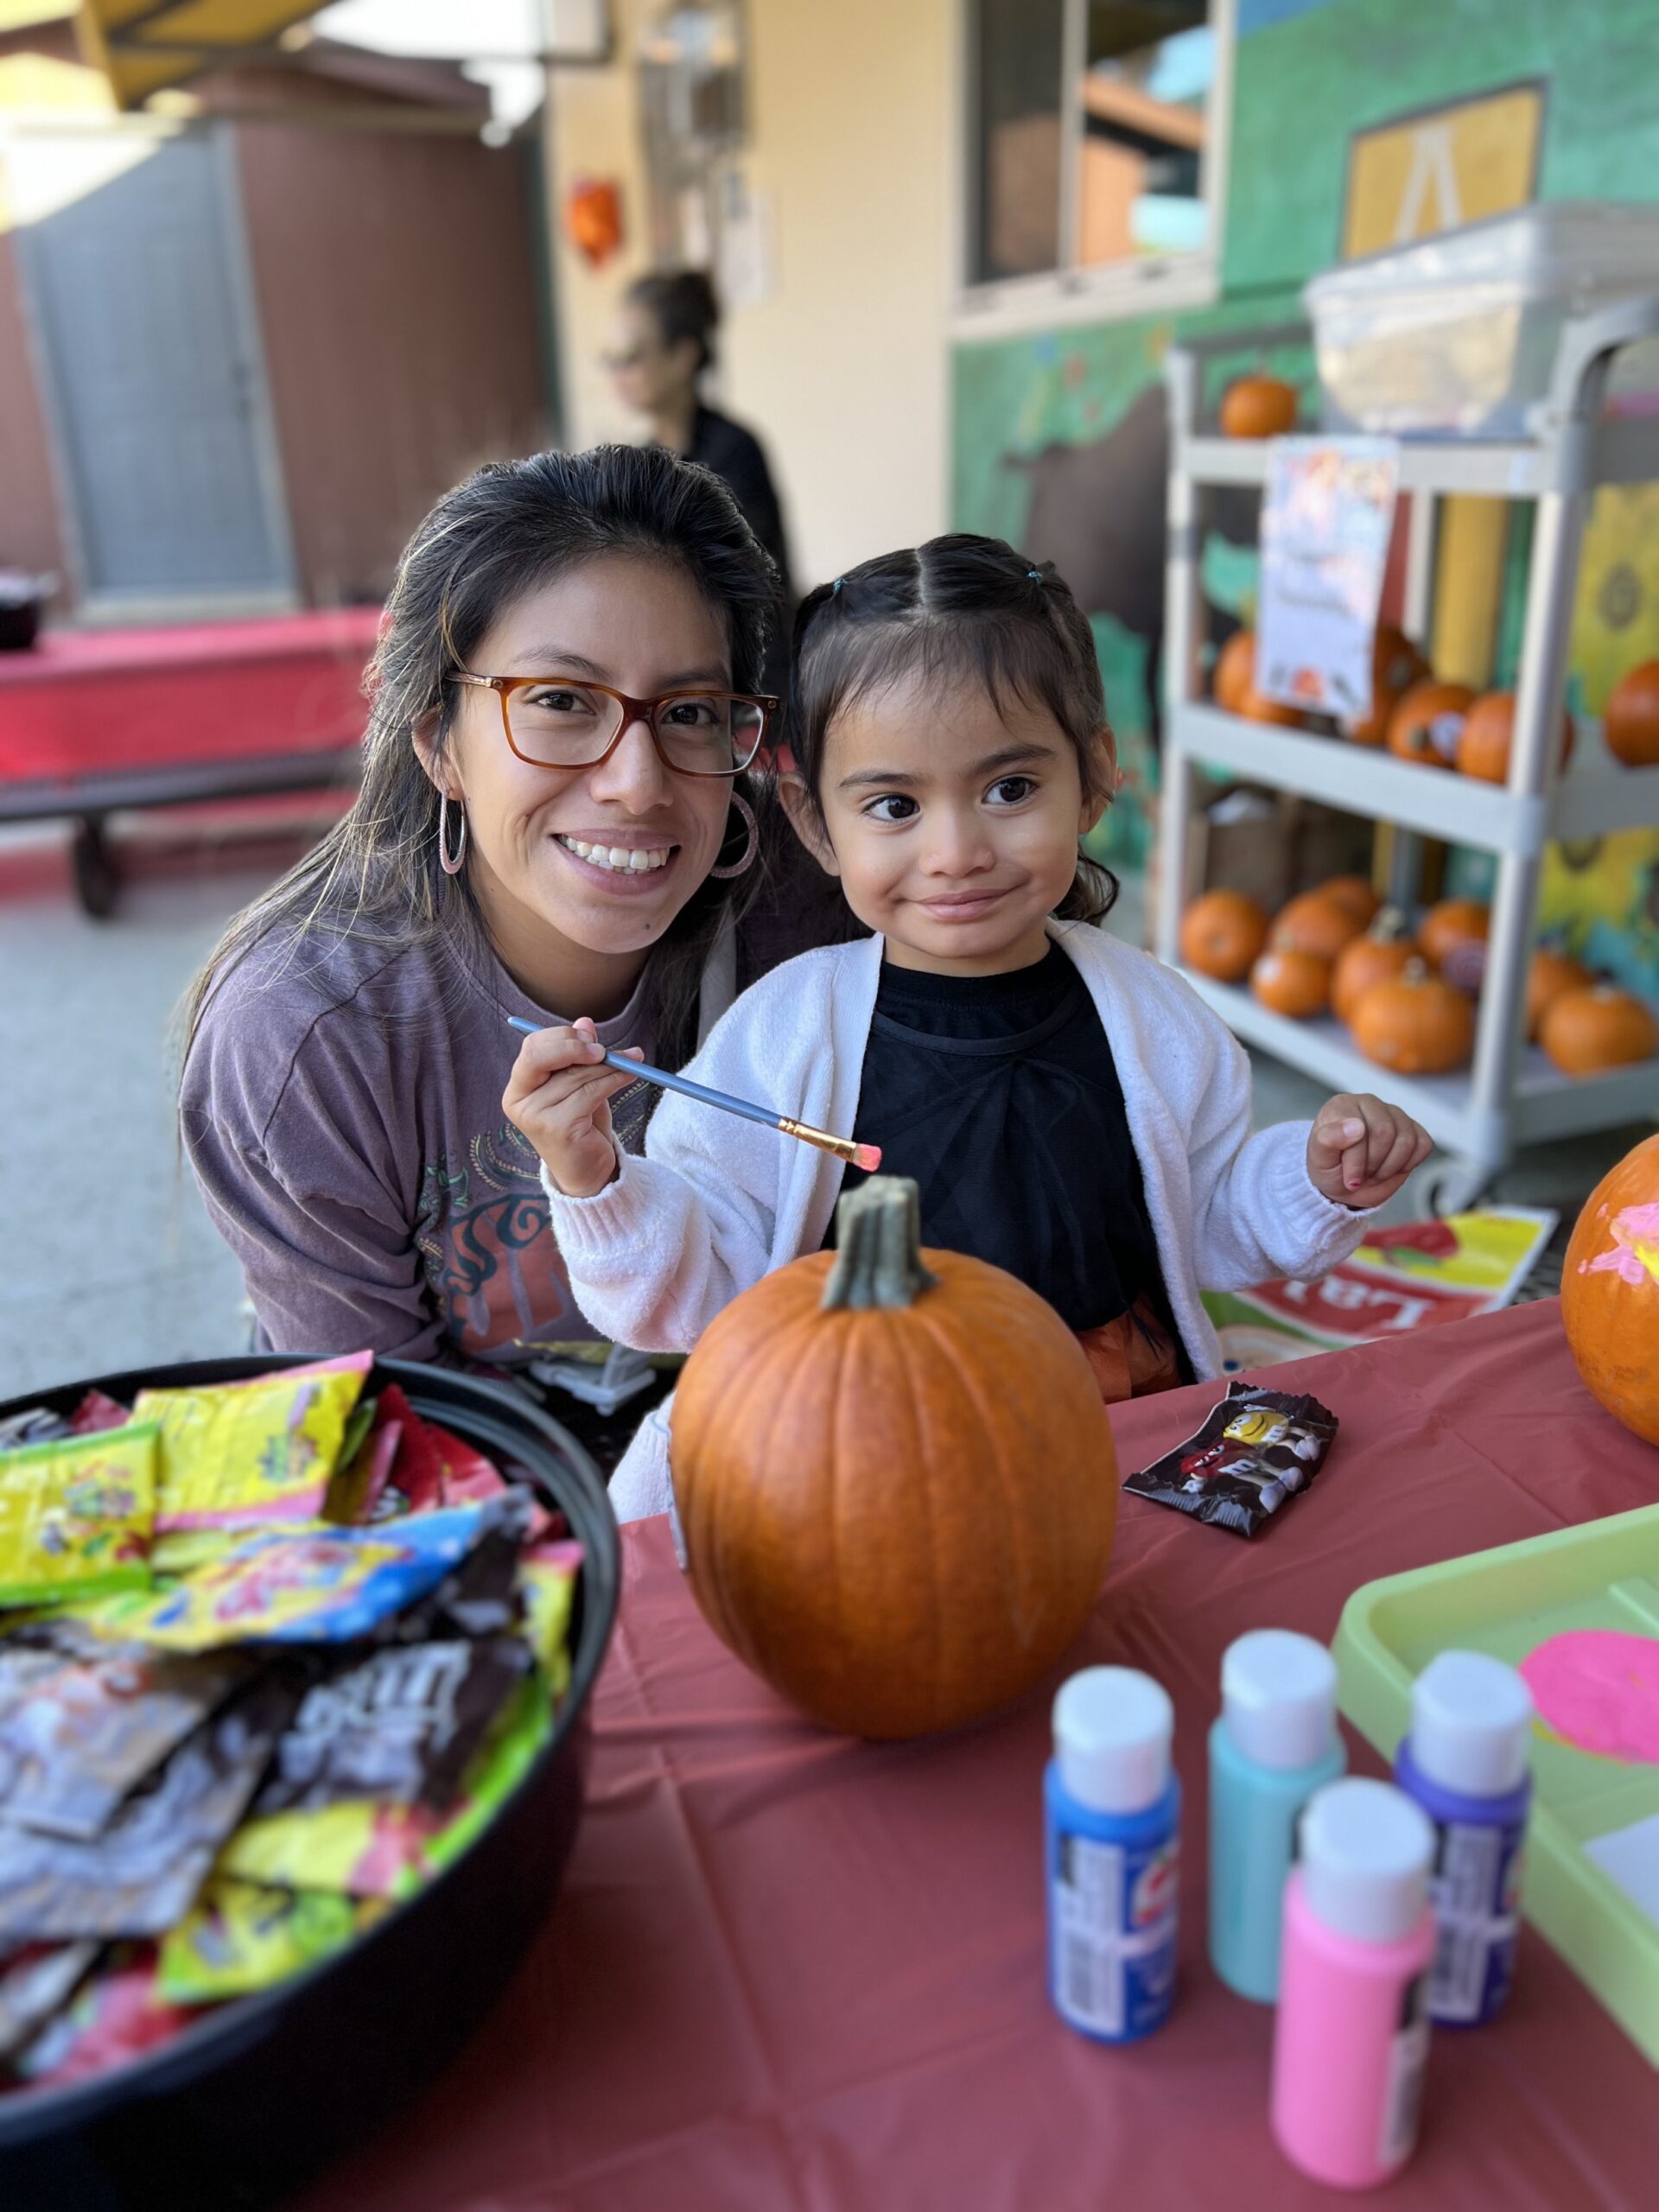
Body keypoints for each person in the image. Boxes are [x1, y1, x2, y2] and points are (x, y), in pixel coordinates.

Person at [505, 534, 1433, 1518]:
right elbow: (694, 1289)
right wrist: (595, 1180)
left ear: (1095, 777)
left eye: (1009, 790)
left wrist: (1312, 1178)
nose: (956, 852)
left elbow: (1201, 1221)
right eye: (895, 805)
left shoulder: (1153, 1017)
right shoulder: (783, 1035)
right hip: (860, 1437)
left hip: (1117, 1421)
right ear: (817, 824)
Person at [179, 444, 838, 1377]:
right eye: (562, 701)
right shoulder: (301, 1036)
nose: (637, 784)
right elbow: (382, 1422)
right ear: (440, 744)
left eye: (690, 711)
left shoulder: (819, 909)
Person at [607, 270, 793, 603]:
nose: (618, 373)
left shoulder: (735, 450)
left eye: (632, 356)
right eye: (612, 358)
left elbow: (746, 579)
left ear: (683, 357)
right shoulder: (639, 463)